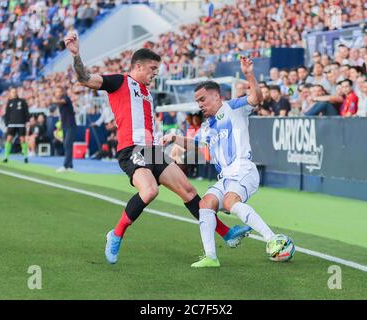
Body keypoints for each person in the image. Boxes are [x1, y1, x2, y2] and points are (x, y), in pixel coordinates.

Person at [63, 31, 251, 265]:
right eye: (152, 69)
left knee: (189, 191)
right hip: (132, 150)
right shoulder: (119, 81)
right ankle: (116, 234)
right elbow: (85, 78)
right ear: (138, 66)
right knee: (150, 191)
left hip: (152, 150)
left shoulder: (147, 94)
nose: (155, 74)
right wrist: (76, 55)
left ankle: (226, 233)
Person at [162, 57, 283, 267]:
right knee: (205, 204)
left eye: (203, 99)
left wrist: (248, 74)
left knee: (229, 201)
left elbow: (256, 97)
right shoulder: (207, 126)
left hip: (243, 169)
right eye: (197, 101)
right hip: (225, 176)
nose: (199, 104)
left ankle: (273, 239)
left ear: (217, 96)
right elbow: (195, 145)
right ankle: (211, 257)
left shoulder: (233, 107)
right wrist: (173, 138)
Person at [3, 87, 30, 163]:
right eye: (12, 92)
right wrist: (6, 123)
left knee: (22, 140)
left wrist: (27, 121)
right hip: (11, 123)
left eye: (15, 92)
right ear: (10, 93)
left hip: (21, 123)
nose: (14, 93)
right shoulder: (9, 102)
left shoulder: (22, 101)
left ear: (17, 92)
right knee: (9, 139)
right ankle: (5, 157)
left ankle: (25, 157)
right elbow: (7, 113)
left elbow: (26, 112)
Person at [54, 86, 77, 172]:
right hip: (64, 126)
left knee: (67, 144)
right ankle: (70, 166)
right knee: (67, 145)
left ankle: (65, 166)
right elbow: (62, 116)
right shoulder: (60, 103)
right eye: (56, 92)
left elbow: (62, 101)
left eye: (59, 91)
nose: (58, 93)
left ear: (63, 92)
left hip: (71, 126)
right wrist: (58, 128)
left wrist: (53, 101)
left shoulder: (66, 98)